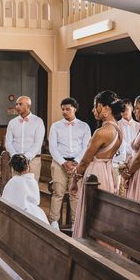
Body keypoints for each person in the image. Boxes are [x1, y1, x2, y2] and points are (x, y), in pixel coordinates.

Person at [71, 91, 124, 238]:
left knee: (91, 210)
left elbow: (85, 160)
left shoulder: (102, 132)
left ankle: (88, 244)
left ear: (106, 109)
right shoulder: (119, 130)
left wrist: (75, 179)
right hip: (107, 172)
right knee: (102, 211)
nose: (94, 110)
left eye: (96, 106)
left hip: (95, 173)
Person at [47, 97, 90, 230]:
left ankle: (75, 223)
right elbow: (52, 147)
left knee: (75, 194)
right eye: (63, 109)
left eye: (68, 109)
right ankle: (54, 222)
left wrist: (76, 161)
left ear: (74, 109)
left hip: (77, 163)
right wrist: (63, 162)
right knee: (58, 193)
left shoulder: (84, 126)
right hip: (59, 163)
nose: (65, 112)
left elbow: (86, 147)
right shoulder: (55, 126)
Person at [5, 96, 45, 181]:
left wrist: (25, 158)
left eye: (20, 104)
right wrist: (16, 157)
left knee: (32, 187)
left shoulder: (38, 121)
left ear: (28, 106)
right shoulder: (12, 123)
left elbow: (38, 143)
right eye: (16, 104)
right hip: (16, 160)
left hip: (33, 160)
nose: (17, 107)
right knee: (17, 187)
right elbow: (8, 142)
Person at [2, 154, 49, 224]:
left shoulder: (13, 182)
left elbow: (5, 200)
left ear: (13, 169)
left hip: (16, 214)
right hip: (34, 213)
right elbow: (36, 201)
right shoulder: (33, 181)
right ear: (28, 167)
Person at [114, 98, 140, 195]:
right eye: (122, 110)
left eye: (126, 109)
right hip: (121, 160)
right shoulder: (117, 125)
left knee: (134, 188)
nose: (124, 111)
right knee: (119, 189)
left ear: (131, 108)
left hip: (135, 160)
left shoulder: (139, 126)